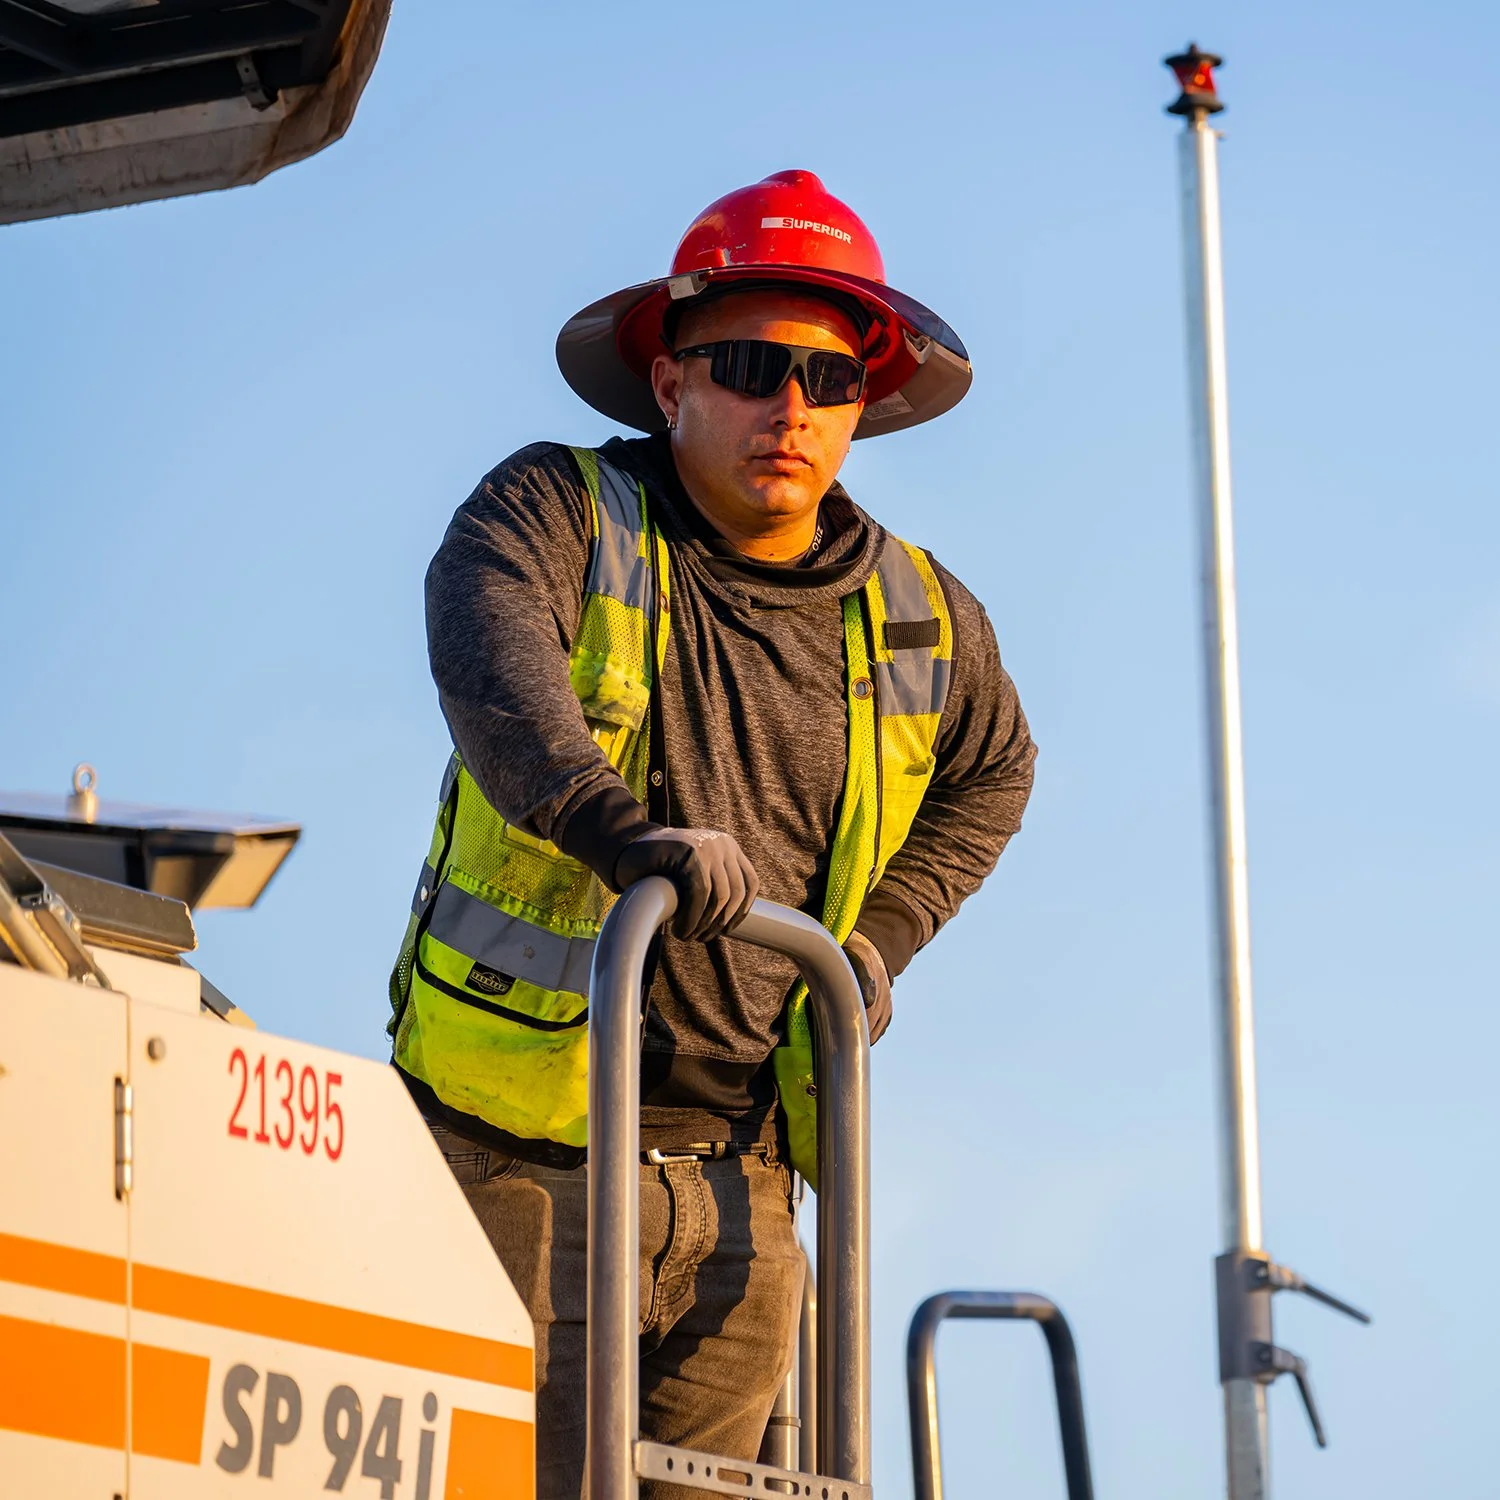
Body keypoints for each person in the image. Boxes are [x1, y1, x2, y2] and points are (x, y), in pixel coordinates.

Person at [388, 169, 1036, 1498]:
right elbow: (489, 647)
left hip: (748, 1193)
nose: (788, 407)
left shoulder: (920, 616)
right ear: (673, 381)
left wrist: (879, 942)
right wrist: (614, 829)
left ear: (865, 400)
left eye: (825, 376)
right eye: (748, 365)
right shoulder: (562, 514)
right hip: (518, 1168)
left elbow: (997, 770)